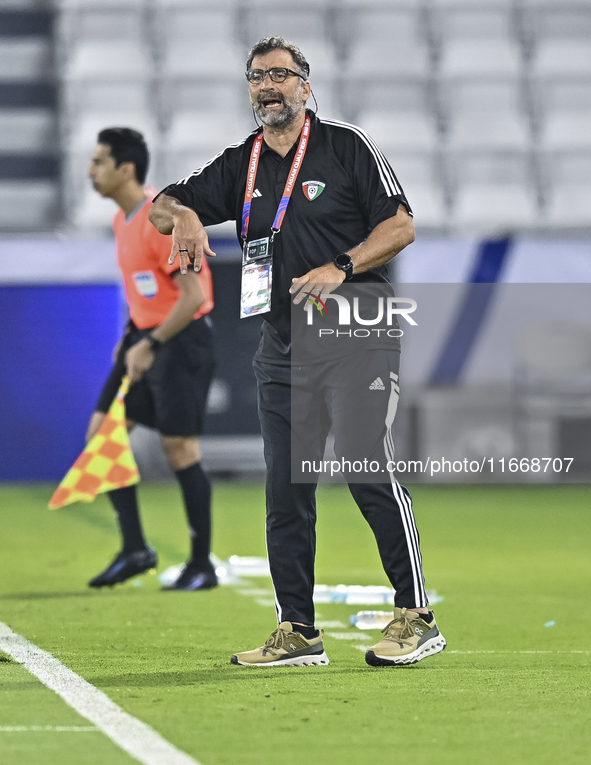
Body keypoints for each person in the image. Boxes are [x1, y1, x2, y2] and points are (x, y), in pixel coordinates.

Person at [149, 38, 446, 665]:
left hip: (356, 331)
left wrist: (341, 266)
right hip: (282, 346)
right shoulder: (243, 164)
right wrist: (183, 217)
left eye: (281, 75)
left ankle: (416, 616)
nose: (268, 86)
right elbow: (162, 207)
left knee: (367, 468)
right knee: (287, 489)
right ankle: (298, 631)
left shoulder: (346, 146)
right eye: (258, 77)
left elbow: (401, 226)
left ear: (306, 86)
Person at [86, 127, 217, 592]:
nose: (90, 170)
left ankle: (202, 564)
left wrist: (152, 343)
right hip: (145, 336)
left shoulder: (157, 221)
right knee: (103, 437)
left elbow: (193, 296)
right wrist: (130, 336)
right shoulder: (123, 221)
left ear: (126, 169)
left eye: (99, 161)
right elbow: (146, 291)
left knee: (179, 449)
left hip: (180, 340)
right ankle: (136, 549)